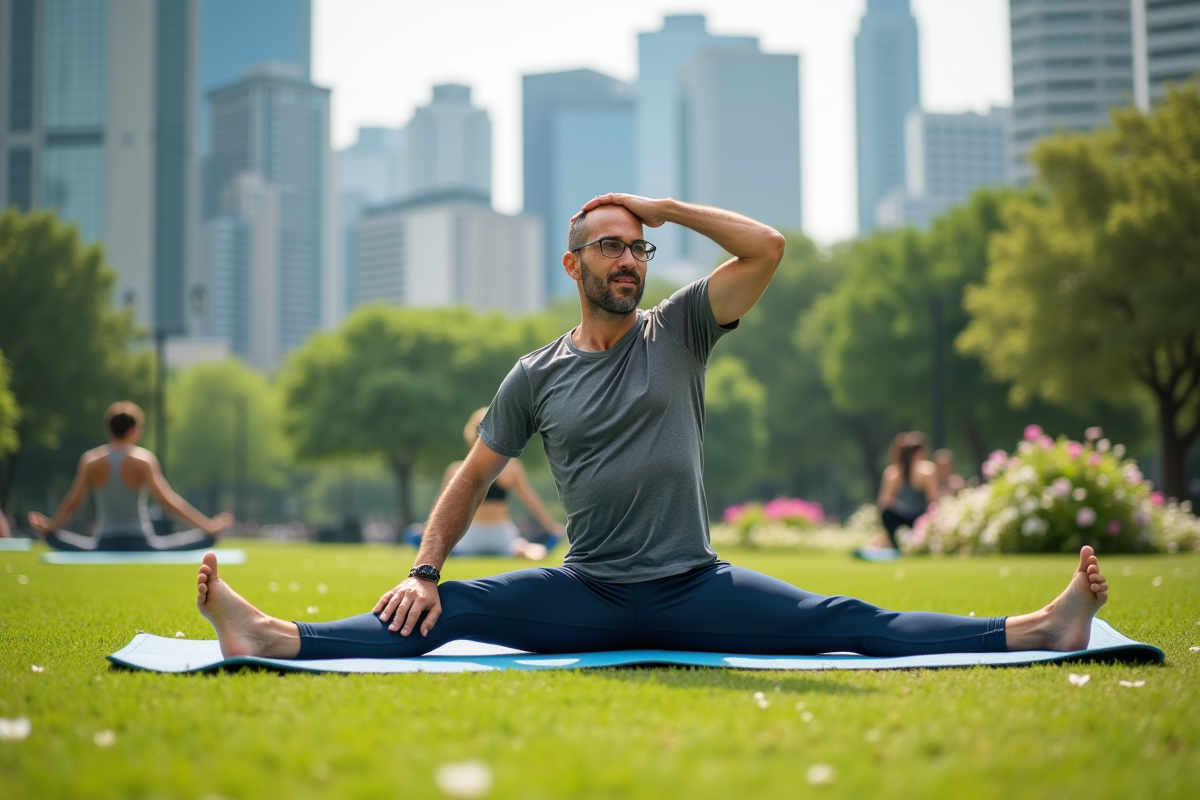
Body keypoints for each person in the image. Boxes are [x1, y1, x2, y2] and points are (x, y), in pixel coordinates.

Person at [196, 194, 1110, 661]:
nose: (630, 258)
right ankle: (274, 638)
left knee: (847, 621)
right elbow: (469, 478)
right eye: (611, 245)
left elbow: (767, 249)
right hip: (584, 591)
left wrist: (665, 208)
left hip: (692, 586)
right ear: (573, 263)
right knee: (451, 608)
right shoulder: (534, 375)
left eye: (639, 247)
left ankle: (1038, 629)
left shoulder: (680, 330)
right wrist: (427, 566)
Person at [28, 402, 232, 551]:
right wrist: (208, 527)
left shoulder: (91, 460)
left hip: (103, 543)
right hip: (142, 543)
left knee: (53, 538)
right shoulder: (143, 459)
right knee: (207, 539)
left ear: (109, 429)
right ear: (134, 430)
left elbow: (73, 502)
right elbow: (167, 502)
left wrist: (51, 527)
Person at [439, 408, 565, 559]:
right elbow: (530, 500)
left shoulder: (456, 469)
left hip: (471, 536)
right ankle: (530, 552)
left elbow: (441, 507)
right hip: (500, 536)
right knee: (524, 549)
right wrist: (552, 528)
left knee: (447, 548)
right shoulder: (511, 467)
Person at [876, 432, 939, 550]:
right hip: (902, 515)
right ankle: (895, 546)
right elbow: (885, 502)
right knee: (887, 515)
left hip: (920, 516)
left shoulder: (927, 470)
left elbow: (933, 499)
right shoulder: (893, 473)